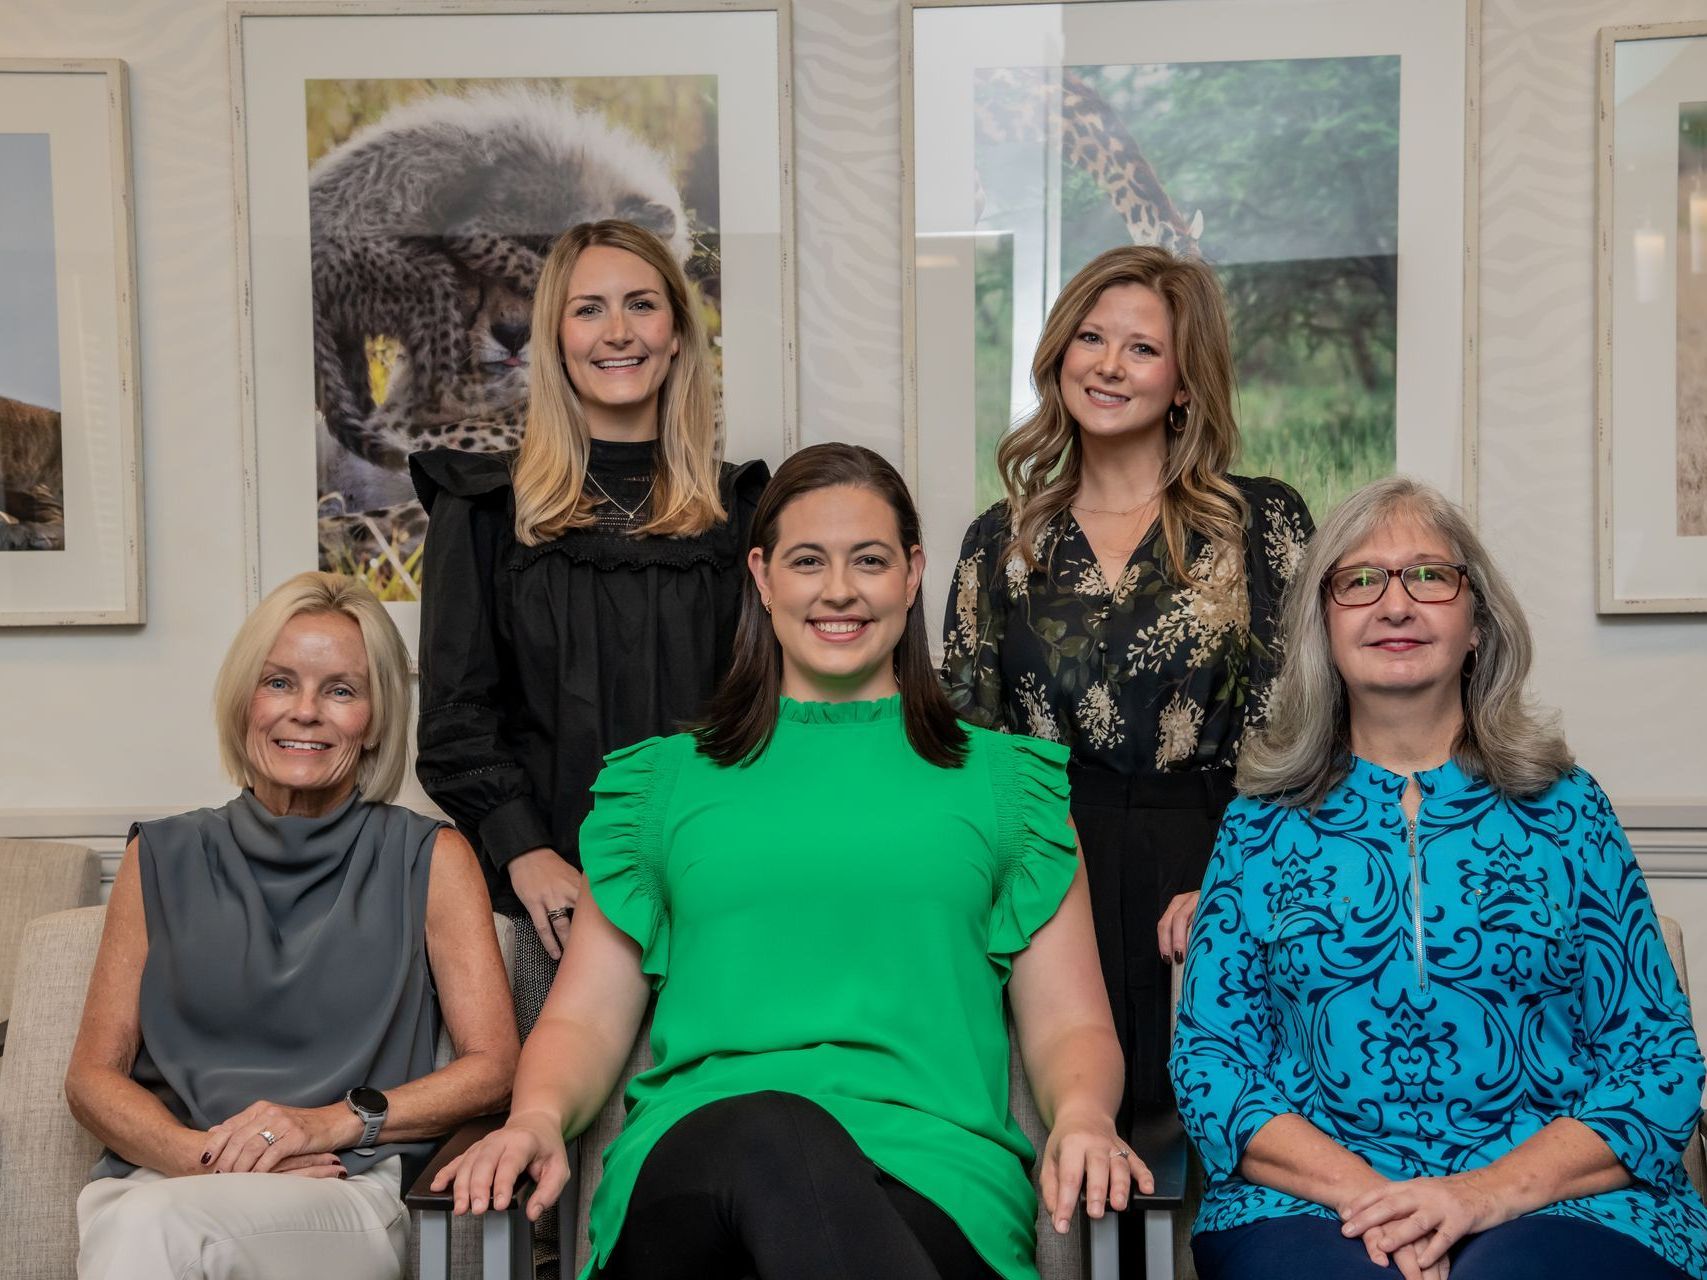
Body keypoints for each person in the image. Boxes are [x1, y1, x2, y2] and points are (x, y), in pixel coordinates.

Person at [434, 443, 1151, 1280]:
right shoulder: (659, 786)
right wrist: (535, 1119)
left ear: (913, 574)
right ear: (763, 576)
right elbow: (583, 1019)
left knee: (802, 1165)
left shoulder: (1008, 788)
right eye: (808, 561)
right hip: (692, 1189)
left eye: (870, 561)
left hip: (934, 1184)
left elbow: (1071, 1023)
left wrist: (1085, 1119)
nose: (838, 589)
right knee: (771, 1127)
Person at [1170, 476, 1707, 1280]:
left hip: (1561, 1203)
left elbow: (1657, 1061)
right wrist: (1380, 1201)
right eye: (1359, 581)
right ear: (1321, 623)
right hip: (1310, 1205)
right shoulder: (1259, 821)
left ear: (1477, 625)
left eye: (1429, 575)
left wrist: (1478, 1196)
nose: (1395, 605)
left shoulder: (1566, 810)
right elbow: (1212, 1065)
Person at [941, 245, 1314, 1125]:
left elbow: (1306, 729)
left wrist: (1237, 881)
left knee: (1219, 1131)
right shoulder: (1000, 538)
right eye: (1090, 338)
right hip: (1046, 872)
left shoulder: (1259, 519)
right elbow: (968, 742)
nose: (1108, 365)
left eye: (1141, 349)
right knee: (1065, 1129)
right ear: (1060, 354)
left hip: (1220, 861)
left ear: (1185, 381)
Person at [65, 572, 518, 1280]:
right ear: (244, 700)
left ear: (374, 719)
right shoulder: (158, 855)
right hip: (170, 1182)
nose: (304, 712)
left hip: (338, 1190)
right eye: (279, 682)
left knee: (148, 1233)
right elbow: (93, 1076)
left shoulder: (429, 857)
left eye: (340, 690)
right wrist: (202, 1159)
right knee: (146, 1222)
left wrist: (331, 1121)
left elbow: (493, 1070)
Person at [411, 219, 769, 1038]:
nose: (617, 332)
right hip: (551, 905)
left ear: (676, 334)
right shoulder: (485, 512)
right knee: (547, 1139)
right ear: (555, 339)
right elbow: (455, 721)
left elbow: (775, 707)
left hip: (723, 892)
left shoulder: (747, 509)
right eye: (588, 310)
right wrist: (526, 853)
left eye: (641, 305)